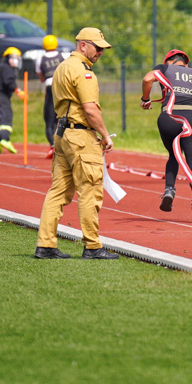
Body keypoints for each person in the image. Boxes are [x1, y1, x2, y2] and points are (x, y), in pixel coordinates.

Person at [35, 27, 118, 260]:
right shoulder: (84, 72)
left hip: (62, 134)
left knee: (58, 191)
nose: (100, 52)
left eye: (102, 48)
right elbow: (90, 110)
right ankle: (92, 246)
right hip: (81, 136)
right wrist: (105, 135)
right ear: (83, 45)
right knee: (90, 190)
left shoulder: (62, 67)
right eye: (97, 47)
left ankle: (46, 244)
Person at [140, 49, 192, 223]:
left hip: (168, 117)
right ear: (186, 64)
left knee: (173, 155)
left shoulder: (164, 68)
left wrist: (145, 99)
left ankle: (169, 191)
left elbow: (147, 79)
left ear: (169, 62)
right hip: (191, 119)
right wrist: (191, 114)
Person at [0, 46, 26, 154]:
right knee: (6, 117)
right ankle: (5, 139)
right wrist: (18, 91)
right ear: (9, 58)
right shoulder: (6, 68)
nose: (17, 61)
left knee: (1, 121)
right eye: (15, 58)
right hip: (1, 97)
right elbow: (9, 81)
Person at [36, 34, 67, 151]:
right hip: (62, 88)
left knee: (49, 119)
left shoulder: (41, 58)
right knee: (62, 116)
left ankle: (53, 145)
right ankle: (62, 143)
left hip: (50, 88)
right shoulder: (62, 56)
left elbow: (41, 77)